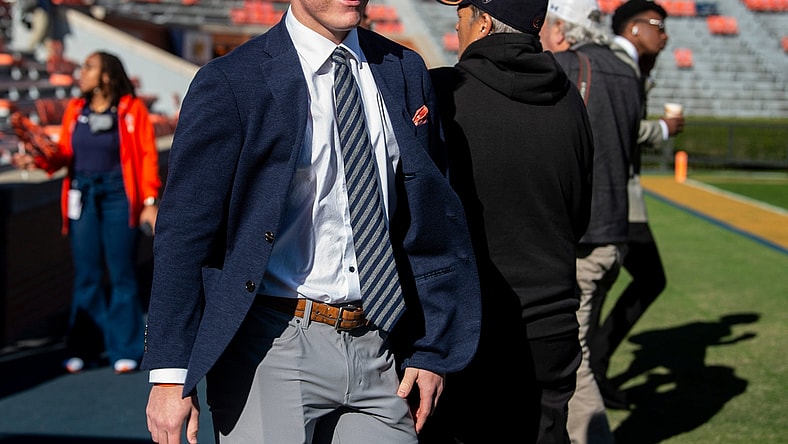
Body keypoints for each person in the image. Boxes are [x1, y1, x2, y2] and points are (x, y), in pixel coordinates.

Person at [141, 0, 482, 442]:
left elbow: (432, 219)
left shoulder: (404, 69)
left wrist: (435, 348)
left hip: (379, 345)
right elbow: (185, 231)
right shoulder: (232, 81)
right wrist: (169, 373)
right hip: (272, 346)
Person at [418, 0, 594, 442]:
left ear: (481, 21)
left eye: (460, 16)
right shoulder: (570, 98)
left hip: (466, 329)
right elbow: (580, 215)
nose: (456, 28)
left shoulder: (442, 93)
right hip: (552, 326)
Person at [11, 51, 160, 374]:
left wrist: (149, 201)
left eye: (89, 68)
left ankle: (126, 348)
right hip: (84, 194)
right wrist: (36, 160)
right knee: (87, 274)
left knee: (121, 274)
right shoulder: (75, 110)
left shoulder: (131, 110)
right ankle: (84, 347)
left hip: (119, 196)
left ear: (106, 76)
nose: (82, 73)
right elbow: (64, 155)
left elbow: (147, 157)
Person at [540, 0, 642, 440]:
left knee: (570, 358)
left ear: (562, 31)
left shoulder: (561, 67)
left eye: (543, 28)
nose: (539, 36)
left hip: (580, 235)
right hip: (614, 231)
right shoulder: (625, 70)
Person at [589, 0, 684, 409]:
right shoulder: (615, 64)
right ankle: (594, 369)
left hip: (613, 194)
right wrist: (663, 128)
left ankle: (595, 367)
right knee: (633, 280)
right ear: (632, 29)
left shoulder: (627, 65)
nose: (664, 35)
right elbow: (621, 127)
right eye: (657, 25)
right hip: (617, 197)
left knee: (607, 285)